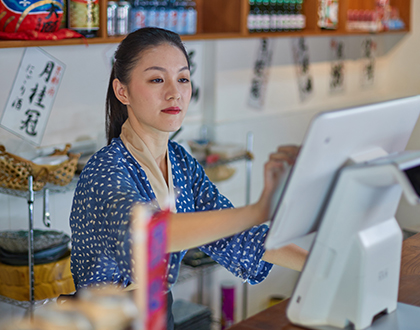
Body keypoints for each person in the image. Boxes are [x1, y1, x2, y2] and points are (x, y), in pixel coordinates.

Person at [69, 27, 307, 329]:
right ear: (122, 91)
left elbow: (236, 235)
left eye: (182, 78)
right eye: (157, 79)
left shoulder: (179, 161)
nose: (174, 92)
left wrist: (322, 265)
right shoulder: (105, 171)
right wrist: (257, 210)